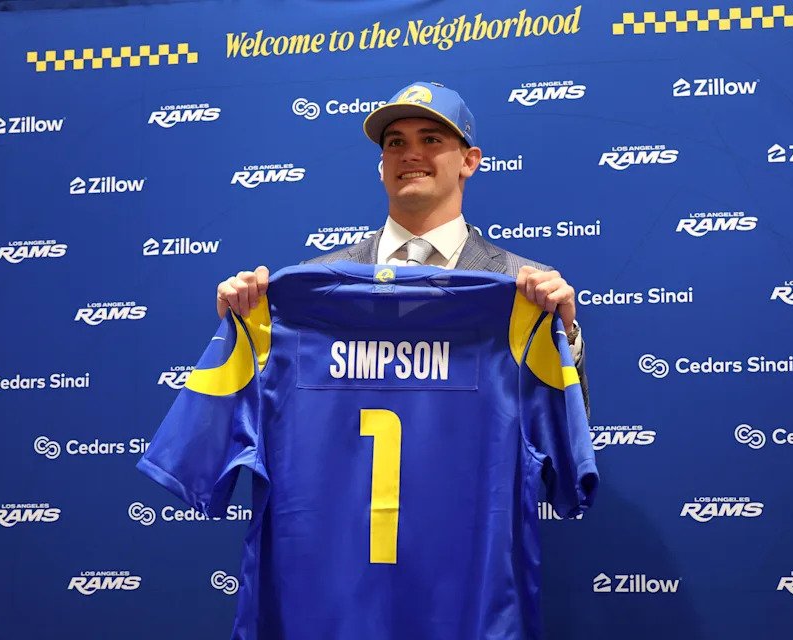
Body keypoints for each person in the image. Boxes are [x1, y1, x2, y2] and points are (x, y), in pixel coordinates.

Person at [216, 81, 588, 410]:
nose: (410, 154)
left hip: (468, 489)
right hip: (345, 489)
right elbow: (266, 412)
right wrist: (244, 333)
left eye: (431, 139)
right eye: (396, 143)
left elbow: (567, 429)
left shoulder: (526, 284)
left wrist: (563, 337)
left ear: (469, 161)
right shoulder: (316, 281)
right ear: (381, 166)